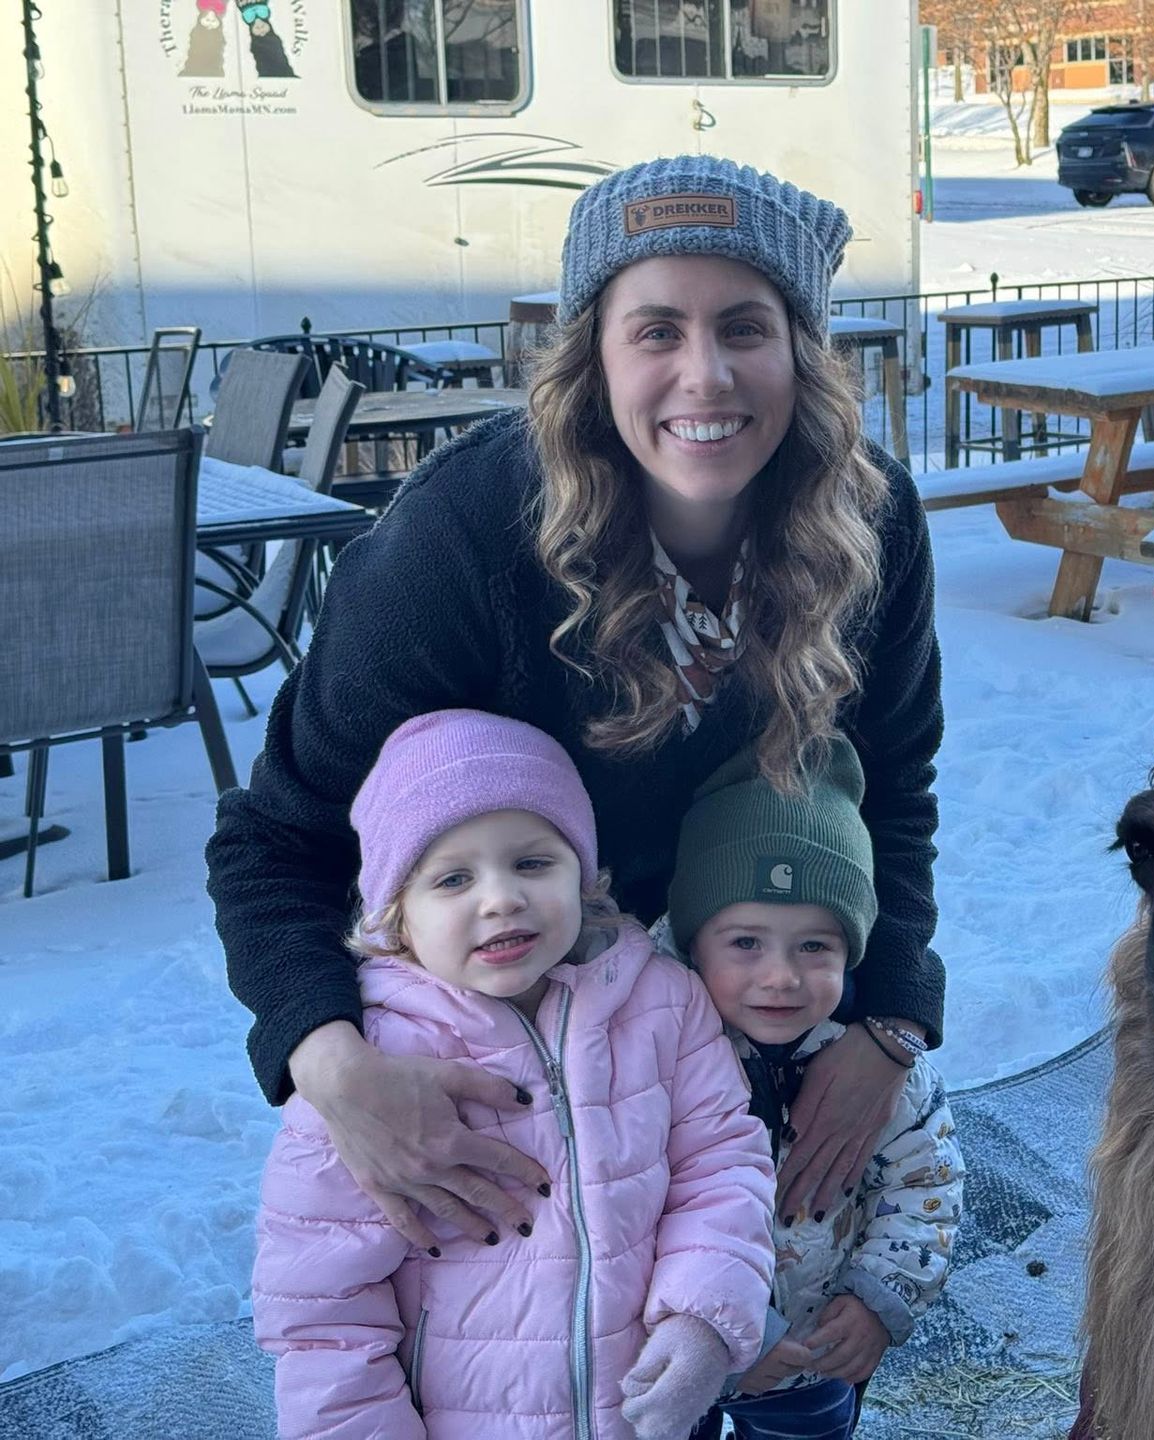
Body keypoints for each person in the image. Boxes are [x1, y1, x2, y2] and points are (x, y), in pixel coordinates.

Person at [207, 153, 944, 1261]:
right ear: (592, 357)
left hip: (749, 1019)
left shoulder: (870, 523)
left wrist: (888, 1020)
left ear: (802, 350)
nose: (706, 377)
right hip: (512, 1070)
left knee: (776, 1335)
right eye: (657, 331)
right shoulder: (467, 535)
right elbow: (276, 838)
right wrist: (329, 1061)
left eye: (745, 327)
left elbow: (892, 788)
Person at [251, 709, 775, 1439]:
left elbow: (721, 1163)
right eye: (453, 878)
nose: (499, 898)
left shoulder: (662, 1000)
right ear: (396, 917)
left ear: (585, 877)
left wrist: (702, 1320)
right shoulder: (371, 1066)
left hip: (643, 1411)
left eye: (532, 863)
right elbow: (322, 1311)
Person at [658, 736, 963, 1440]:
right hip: (680, 1358)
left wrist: (880, 1299)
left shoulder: (887, 1072)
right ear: (690, 941)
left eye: (814, 946)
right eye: (745, 943)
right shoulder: (657, 1061)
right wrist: (731, 1336)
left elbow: (928, 1187)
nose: (782, 977)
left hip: (816, 1359)